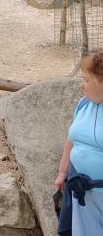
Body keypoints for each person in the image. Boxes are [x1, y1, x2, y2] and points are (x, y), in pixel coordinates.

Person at [55, 50, 103, 235]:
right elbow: (71, 139)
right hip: (80, 190)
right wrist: (62, 172)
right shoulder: (84, 104)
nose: (82, 85)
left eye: (87, 80)